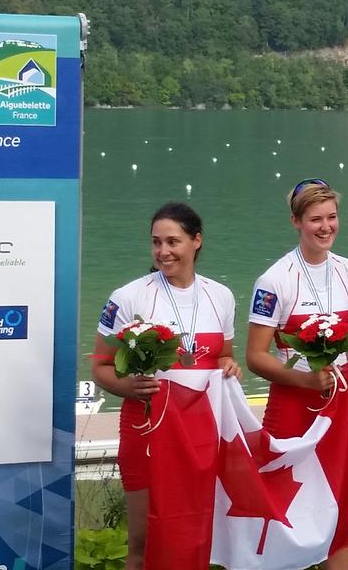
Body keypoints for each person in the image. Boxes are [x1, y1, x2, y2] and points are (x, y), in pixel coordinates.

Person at [91, 202, 241, 570]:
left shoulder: (219, 296)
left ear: (196, 241)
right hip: (147, 432)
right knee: (143, 542)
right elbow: (101, 366)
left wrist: (229, 366)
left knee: (197, 535)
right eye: (156, 242)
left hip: (200, 435)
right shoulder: (128, 297)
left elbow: (222, 356)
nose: (163, 251)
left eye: (173, 241)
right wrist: (130, 387)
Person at [245, 178, 348, 570]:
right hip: (293, 406)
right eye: (315, 219)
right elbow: (255, 357)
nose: (326, 227)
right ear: (296, 222)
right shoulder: (274, 280)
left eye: (332, 217)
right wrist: (305, 381)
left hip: (340, 407)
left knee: (337, 513)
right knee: (287, 518)